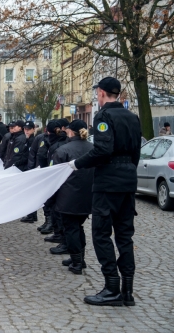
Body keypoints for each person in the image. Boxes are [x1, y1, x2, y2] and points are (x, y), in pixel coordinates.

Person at [70, 77, 141, 306]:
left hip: (108, 183)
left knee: (101, 234)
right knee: (124, 236)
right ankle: (127, 291)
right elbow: (137, 153)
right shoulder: (133, 118)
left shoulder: (103, 116)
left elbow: (102, 150)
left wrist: (77, 164)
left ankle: (112, 287)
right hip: (128, 182)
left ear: (101, 93)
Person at [52, 120, 94, 274]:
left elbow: (55, 176)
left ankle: (77, 261)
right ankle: (78, 257)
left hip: (68, 196)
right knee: (78, 226)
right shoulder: (93, 148)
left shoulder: (63, 150)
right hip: (88, 195)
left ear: (70, 131)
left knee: (71, 228)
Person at [19, 121, 38, 223]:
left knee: (31, 193)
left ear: (33, 129)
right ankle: (32, 214)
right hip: (27, 167)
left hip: (31, 168)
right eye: (25, 129)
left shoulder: (33, 140)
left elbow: (32, 156)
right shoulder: (27, 140)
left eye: (28, 129)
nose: (26, 131)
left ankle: (31, 215)